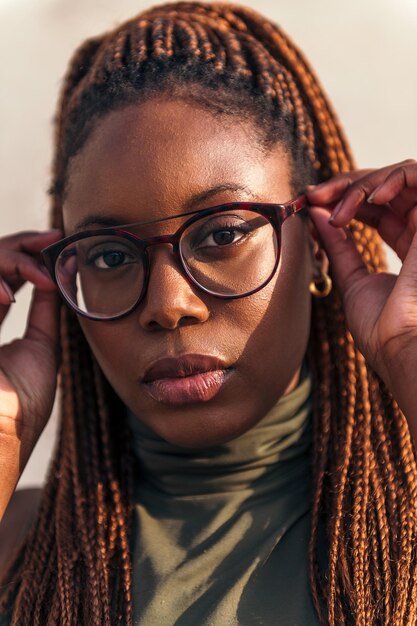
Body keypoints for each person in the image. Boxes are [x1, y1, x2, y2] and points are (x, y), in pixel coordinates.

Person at [0, 1, 416, 624]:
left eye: (222, 235)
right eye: (110, 255)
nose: (168, 306)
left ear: (322, 247)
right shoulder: (16, 551)